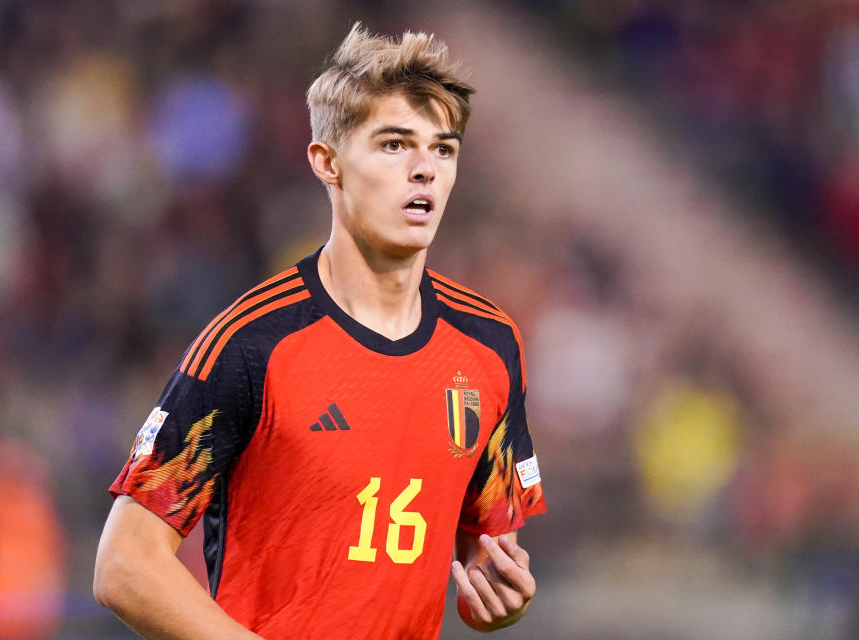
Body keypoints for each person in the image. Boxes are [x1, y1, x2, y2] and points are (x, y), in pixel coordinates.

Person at [93, 22, 546, 639]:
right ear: (327, 163)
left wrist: (498, 600)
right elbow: (124, 565)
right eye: (393, 145)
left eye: (443, 149)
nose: (424, 170)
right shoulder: (252, 343)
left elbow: (485, 553)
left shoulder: (491, 345)